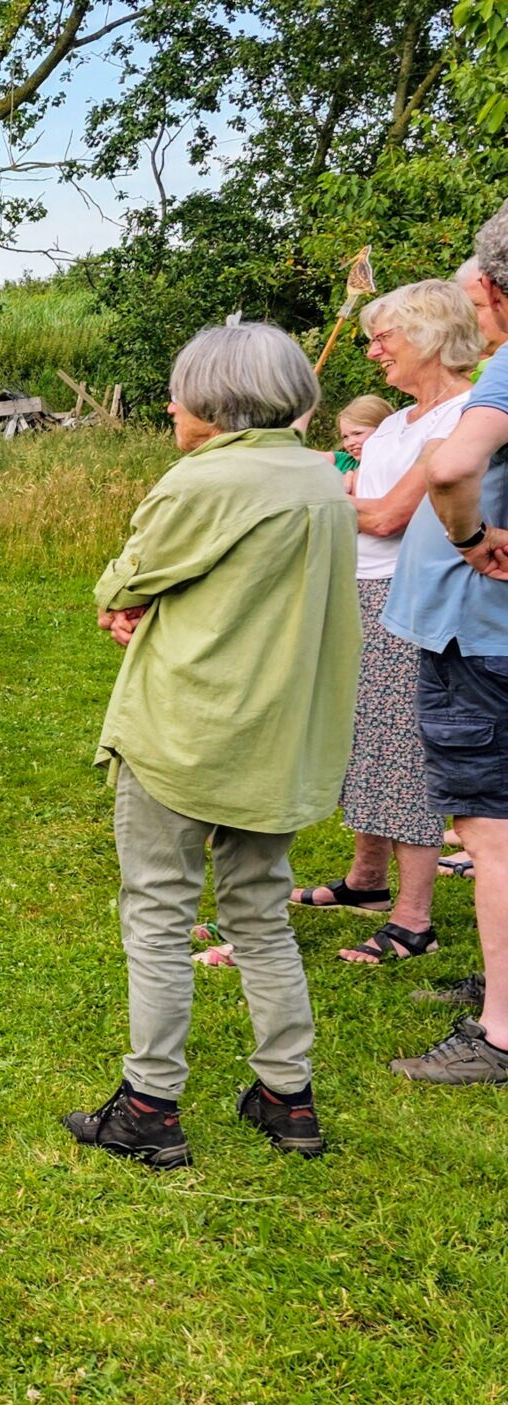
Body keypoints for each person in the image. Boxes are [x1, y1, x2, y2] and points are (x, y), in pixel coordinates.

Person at [63, 321, 357, 1167]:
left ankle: (151, 1103)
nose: (170, 405)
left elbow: (128, 574)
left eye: (180, 391)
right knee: (261, 913)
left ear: (217, 404)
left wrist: (125, 601)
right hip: (281, 734)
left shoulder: (206, 478)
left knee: (157, 913)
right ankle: (287, 1095)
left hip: (189, 728)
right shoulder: (323, 478)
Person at [290, 281, 479, 963]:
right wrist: (266, 455)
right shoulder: (399, 422)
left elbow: (388, 515)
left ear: (428, 335)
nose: (373, 351)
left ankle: (414, 917)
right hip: (360, 592)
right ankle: (366, 881)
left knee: (402, 749)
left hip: (413, 600)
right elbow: (352, 485)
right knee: (363, 735)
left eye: (384, 337)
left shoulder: (463, 417)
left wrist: (290, 493)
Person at [381, 206, 508, 1080]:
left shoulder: (505, 373)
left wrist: (468, 538)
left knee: (490, 830)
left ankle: (500, 1032)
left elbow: (454, 468)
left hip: (479, 633)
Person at [328, 395, 395, 476]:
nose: (350, 443)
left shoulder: (399, 466)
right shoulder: (344, 461)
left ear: (383, 429)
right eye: (345, 437)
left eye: (357, 433)